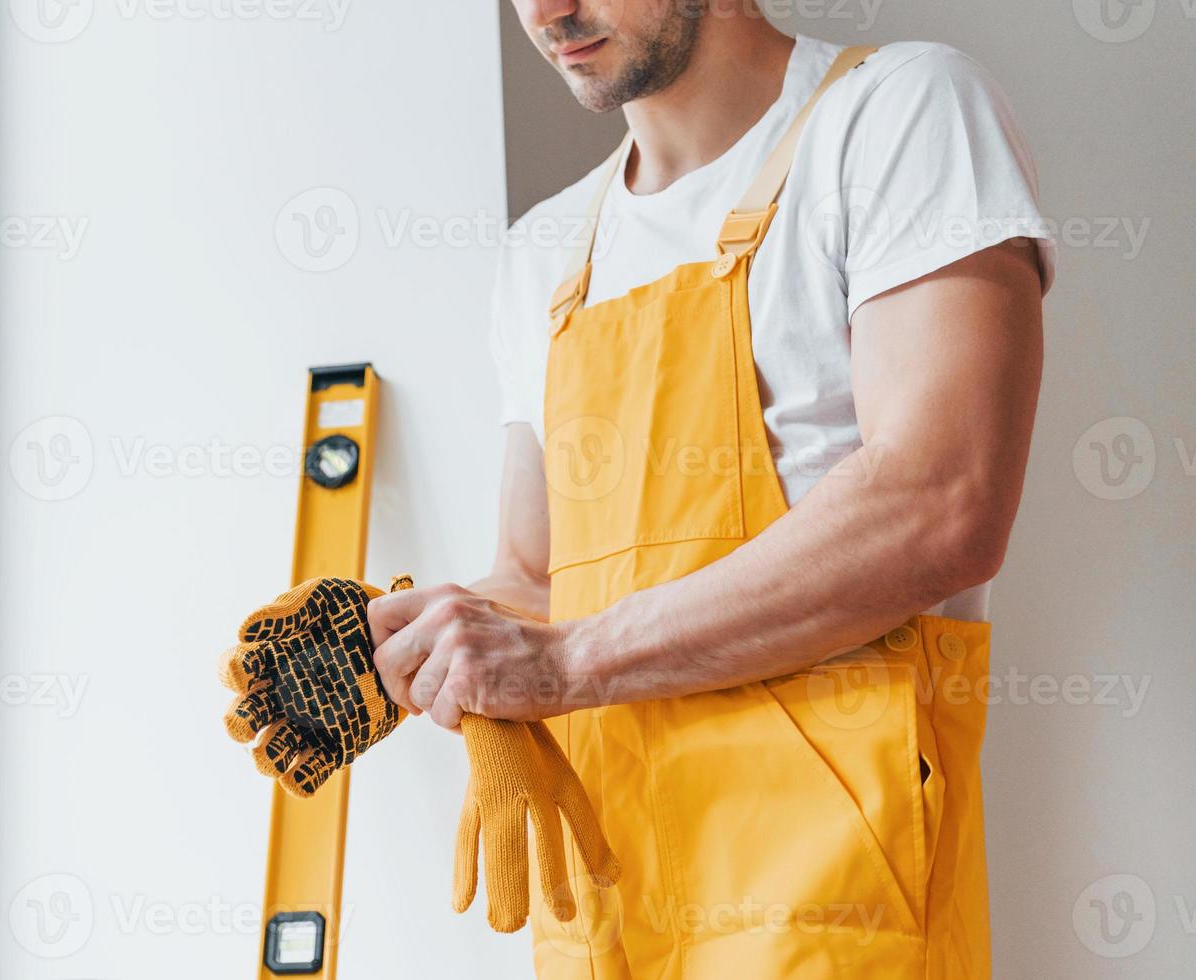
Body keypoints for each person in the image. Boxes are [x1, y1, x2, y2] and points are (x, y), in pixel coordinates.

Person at [367, 0, 1054, 976]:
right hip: (610, 908)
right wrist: (403, 635)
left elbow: (939, 502)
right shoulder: (546, 253)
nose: (550, 12)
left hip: (827, 904)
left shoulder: (896, 117)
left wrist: (566, 665)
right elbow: (533, 576)